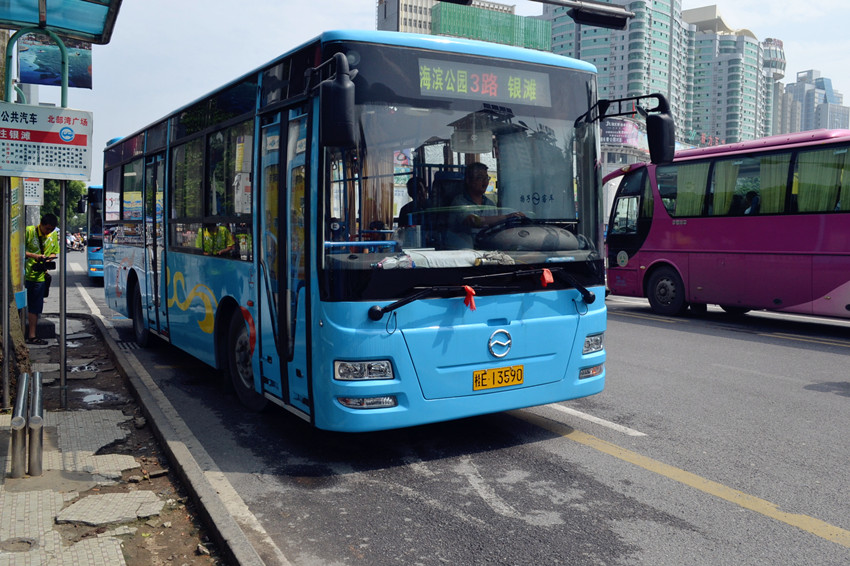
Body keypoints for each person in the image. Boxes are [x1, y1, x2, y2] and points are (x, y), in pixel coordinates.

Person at [448, 162, 524, 248]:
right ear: (468, 181)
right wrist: (507, 217)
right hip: (465, 251)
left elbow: (496, 229)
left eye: (486, 178)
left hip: (487, 248)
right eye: (480, 178)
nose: (485, 182)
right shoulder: (459, 202)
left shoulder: (490, 204)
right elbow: (474, 221)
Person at [24, 213, 59, 345]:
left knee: (35, 307)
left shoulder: (53, 235)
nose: (48, 232)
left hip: (40, 277)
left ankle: (32, 336)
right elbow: (18, 249)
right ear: (41, 225)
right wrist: (34, 256)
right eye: (47, 229)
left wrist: (48, 258)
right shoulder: (29, 231)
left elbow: (55, 251)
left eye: (51, 229)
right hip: (24, 274)